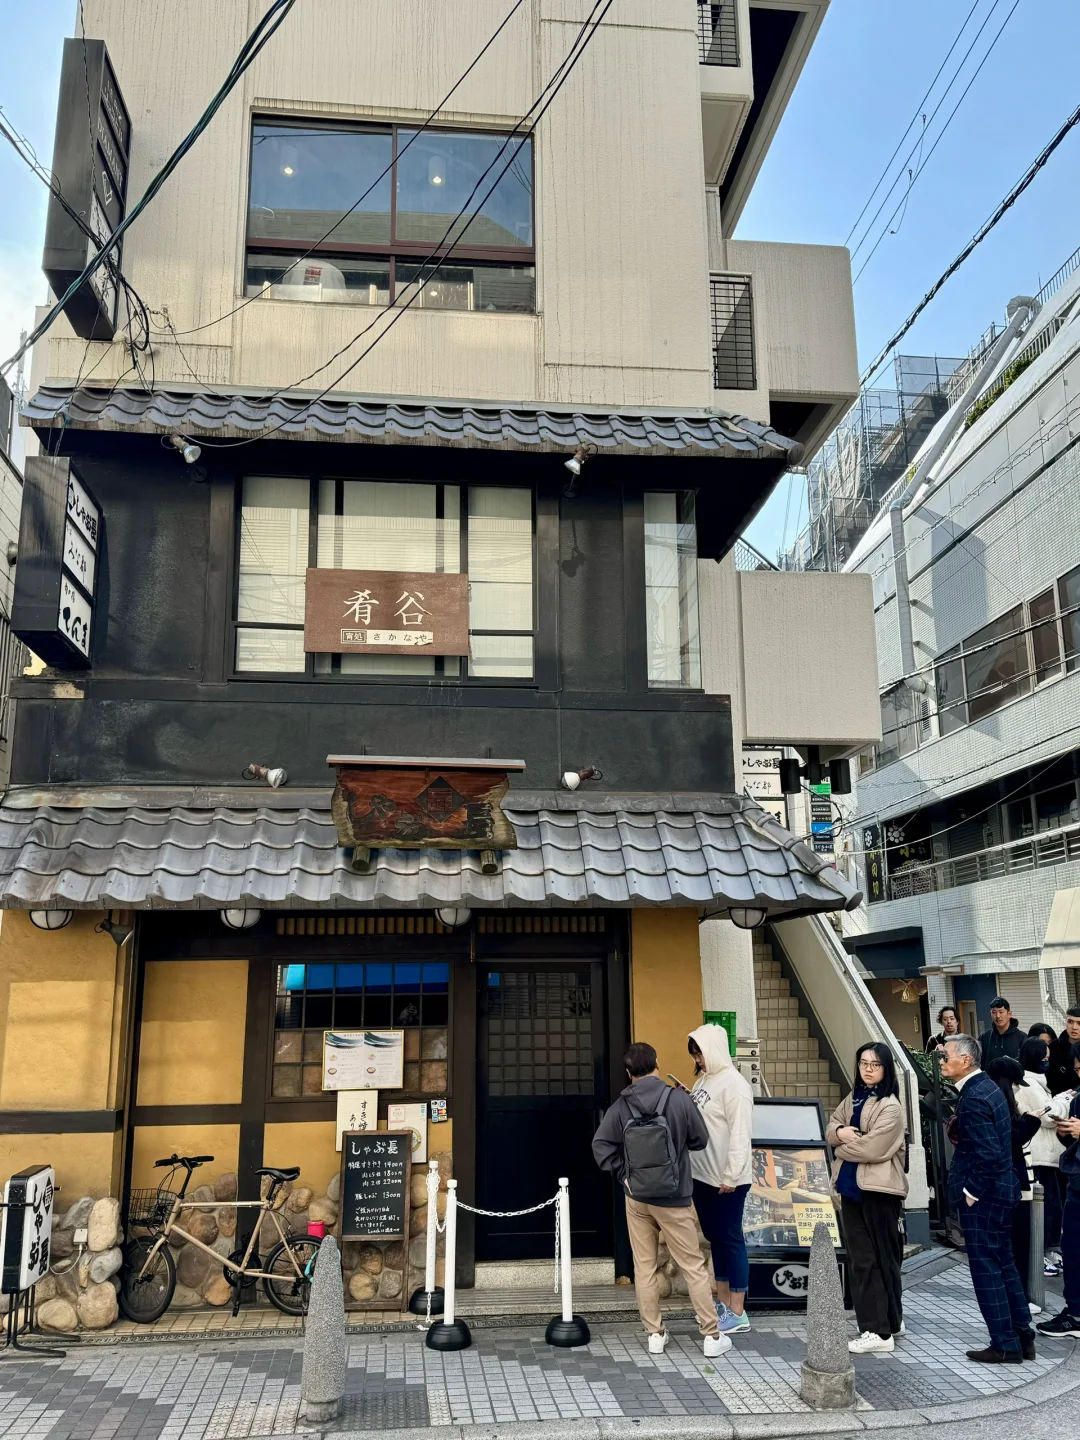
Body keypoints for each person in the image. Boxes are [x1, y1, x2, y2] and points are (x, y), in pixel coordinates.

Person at [592, 1041, 730, 1358]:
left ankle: (655, 1334)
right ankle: (711, 1336)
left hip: (636, 1196)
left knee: (644, 1267)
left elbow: (601, 1146)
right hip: (674, 1195)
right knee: (693, 1266)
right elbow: (700, 1140)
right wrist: (687, 1108)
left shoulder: (620, 1107)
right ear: (657, 1062)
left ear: (629, 1073)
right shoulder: (678, 1099)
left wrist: (623, 1173)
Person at [940, 1033, 1036, 1363]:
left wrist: (970, 1193)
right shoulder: (988, 1089)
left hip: (986, 1196)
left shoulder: (975, 1095)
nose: (941, 1062)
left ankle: (1005, 1343)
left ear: (965, 1060)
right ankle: (1022, 1335)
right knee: (1004, 1263)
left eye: (945, 1056)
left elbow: (989, 1154)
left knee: (986, 1270)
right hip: (1003, 1190)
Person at [826, 1043, 908, 1354]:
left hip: (879, 1191)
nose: (868, 1068)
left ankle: (877, 1331)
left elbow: (873, 1149)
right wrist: (842, 1134)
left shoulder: (891, 1106)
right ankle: (890, 1322)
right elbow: (832, 1126)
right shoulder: (854, 1097)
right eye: (863, 1062)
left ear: (886, 1068)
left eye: (875, 1064)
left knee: (875, 1259)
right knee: (867, 1259)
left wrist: (840, 1146)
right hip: (851, 1189)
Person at [684, 1025, 754, 1335]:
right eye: (695, 1054)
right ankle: (724, 1303)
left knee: (730, 1239)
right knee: (717, 1241)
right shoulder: (704, 1080)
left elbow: (741, 1133)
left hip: (726, 1179)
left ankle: (738, 1310)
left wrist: (731, 1174)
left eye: (700, 1052)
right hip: (703, 1175)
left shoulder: (734, 1084)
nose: (698, 1059)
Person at [1015, 1036, 1071, 1277]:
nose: (1047, 1062)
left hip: (1048, 1155)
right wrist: (1064, 1100)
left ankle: (1050, 1250)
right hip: (1037, 1155)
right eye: (1044, 1058)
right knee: (1045, 1208)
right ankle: (1040, 1254)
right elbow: (1047, 1117)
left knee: (1054, 1206)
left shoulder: (1037, 1082)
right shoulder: (1027, 1083)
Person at [984, 1057, 1039, 1303]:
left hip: (1008, 1184)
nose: (1017, 1089)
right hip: (1011, 1184)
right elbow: (1009, 1142)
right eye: (1016, 1084)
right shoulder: (999, 1105)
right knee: (1016, 1246)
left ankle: (1018, 1299)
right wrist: (1031, 1122)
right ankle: (1020, 1299)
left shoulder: (991, 1101)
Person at [1037, 1041, 1080, 1339]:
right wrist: (1067, 1134)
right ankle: (1075, 1311)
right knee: (1073, 1249)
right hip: (1077, 1184)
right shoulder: (1078, 1098)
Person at [979, 997, 1024, 1067]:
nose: (997, 1016)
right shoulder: (984, 1038)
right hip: (989, 1077)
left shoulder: (1022, 1038)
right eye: (994, 1012)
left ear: (1009, 1014)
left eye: (1001, 1012)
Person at [1048, 1008, 1080, 1095]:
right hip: (1058, 1100)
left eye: (1079, 1023)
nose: (1074, 1027)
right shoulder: (1054, 1047)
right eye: (1070, 1022)